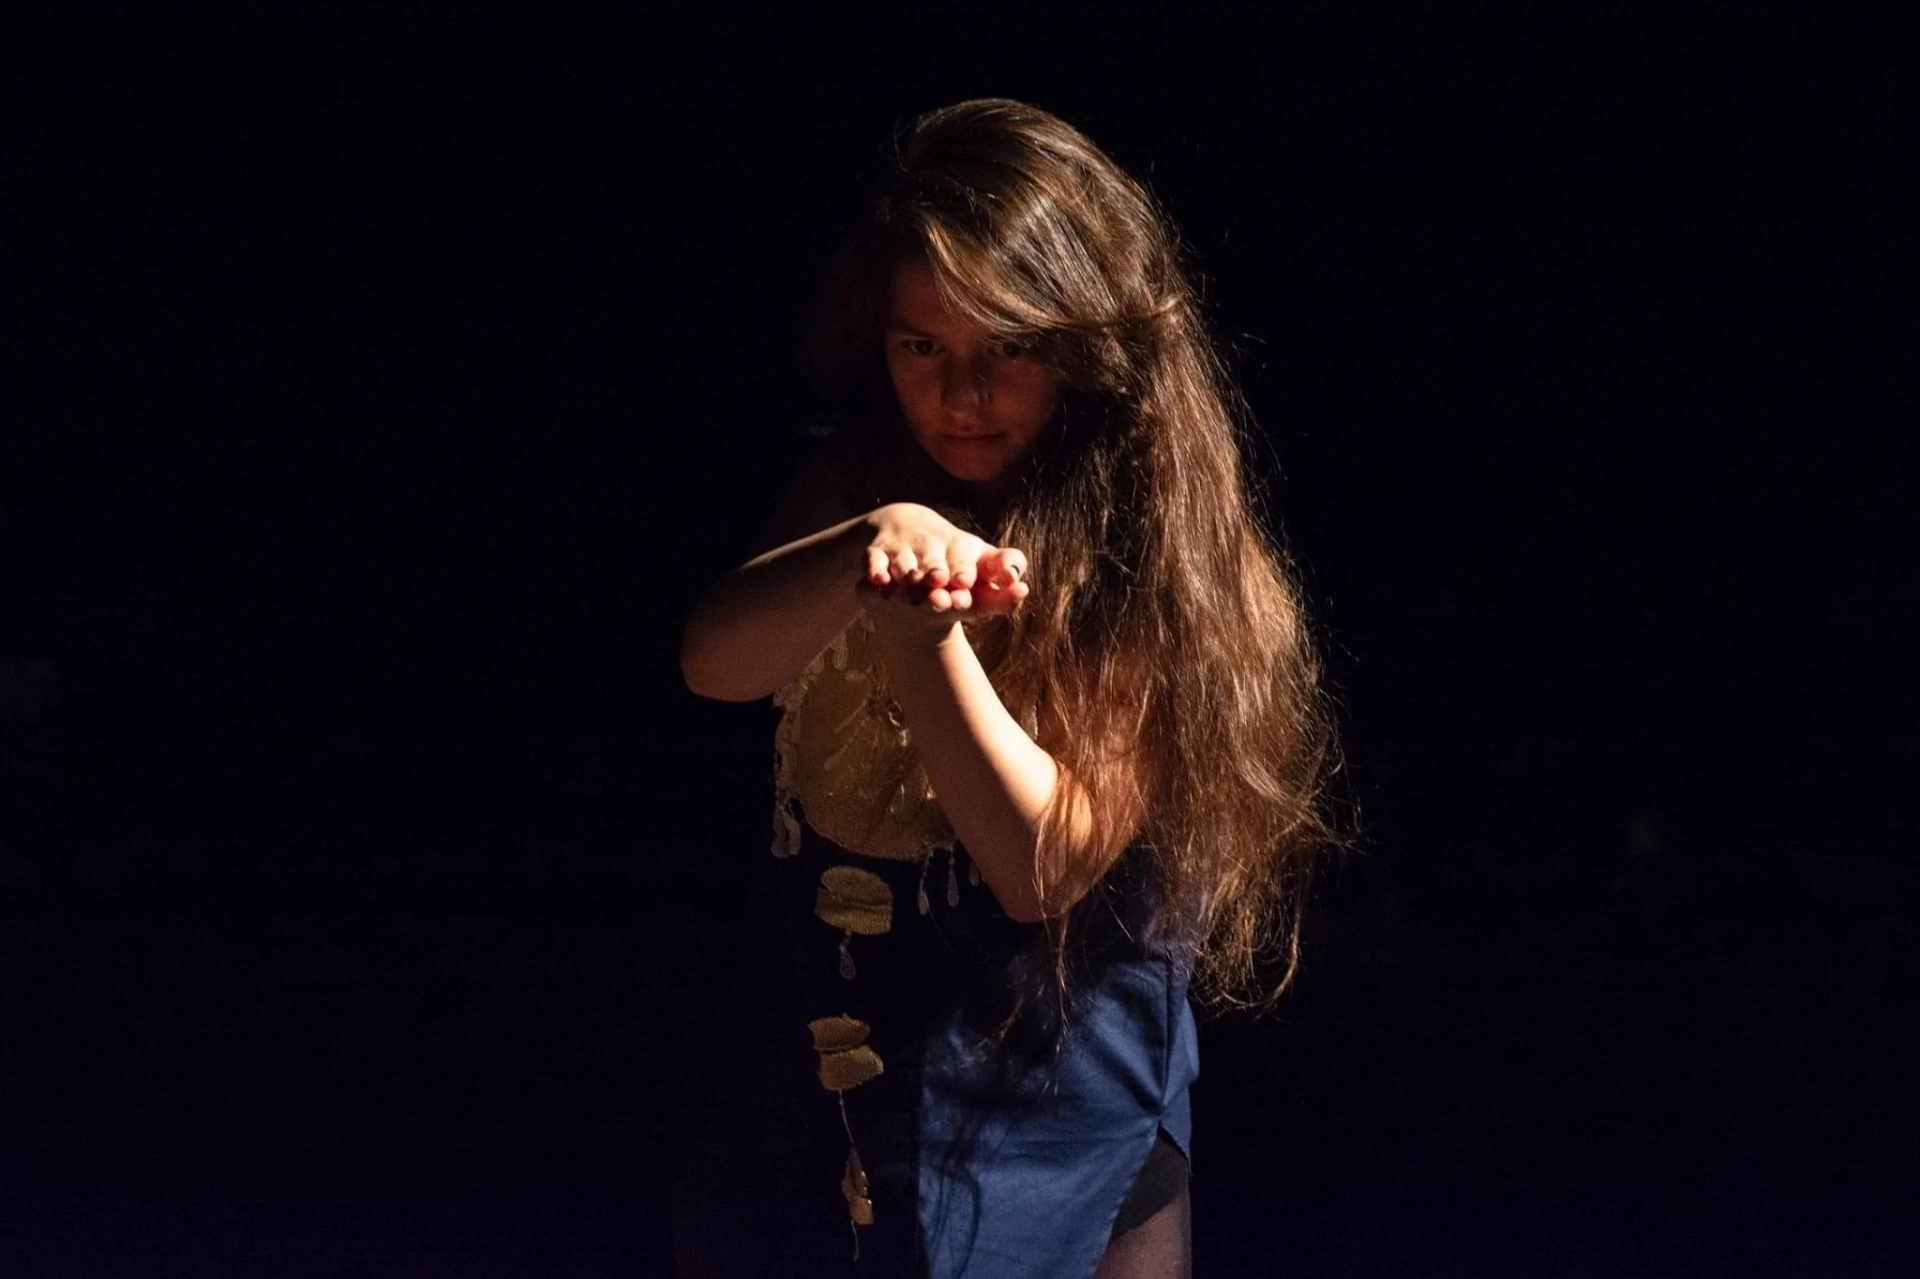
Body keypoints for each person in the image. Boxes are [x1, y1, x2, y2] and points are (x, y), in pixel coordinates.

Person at [675, 98, 1342, 1278]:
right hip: (842, 1086)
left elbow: (1042, 867)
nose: (961, 393)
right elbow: (714, 664)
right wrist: (867, 545)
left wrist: (921, 632)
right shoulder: (859, 483)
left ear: (1082, 344)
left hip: (1058, 1097)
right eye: (921, 347)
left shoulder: (1143, 533)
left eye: (1008, 349)